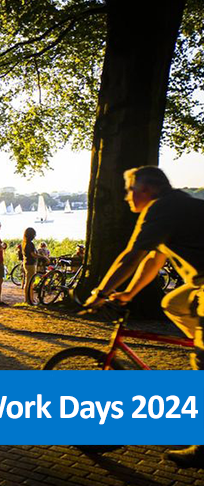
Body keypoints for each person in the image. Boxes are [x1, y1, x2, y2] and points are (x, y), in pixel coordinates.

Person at [83, 166, 204, 467]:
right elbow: (153, 258)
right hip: (198, 284)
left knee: (201, 363)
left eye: (130, 190)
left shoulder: (161, 208)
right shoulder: (176, 204)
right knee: (173, 302)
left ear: (146, 190)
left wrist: (100, 292)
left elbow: (131, 256)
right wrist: (128, 293)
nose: (126, 197)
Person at [21, 228, 38, 292]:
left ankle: (29, 296)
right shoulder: (30, 244)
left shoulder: (24, 243)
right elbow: (33, 254)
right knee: (29, 282)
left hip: (26, 262)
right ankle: (28, 297)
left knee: (28, 281)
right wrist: (43, 257)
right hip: (30, 264)